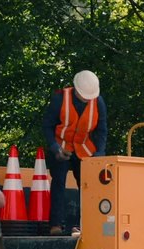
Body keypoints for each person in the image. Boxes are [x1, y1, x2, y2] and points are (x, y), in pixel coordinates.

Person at [42, 70, 108, 235]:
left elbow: (101, 130)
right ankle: (55, 225)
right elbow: (47, 125)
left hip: (83, 150)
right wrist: (54, 147)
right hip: (62, 147)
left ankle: (83, 225)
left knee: (87, 186)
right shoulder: (60, 99)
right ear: (76, 90)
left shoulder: (98, 102)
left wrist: (99, 152)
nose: (87, 99)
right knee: (58, 183)